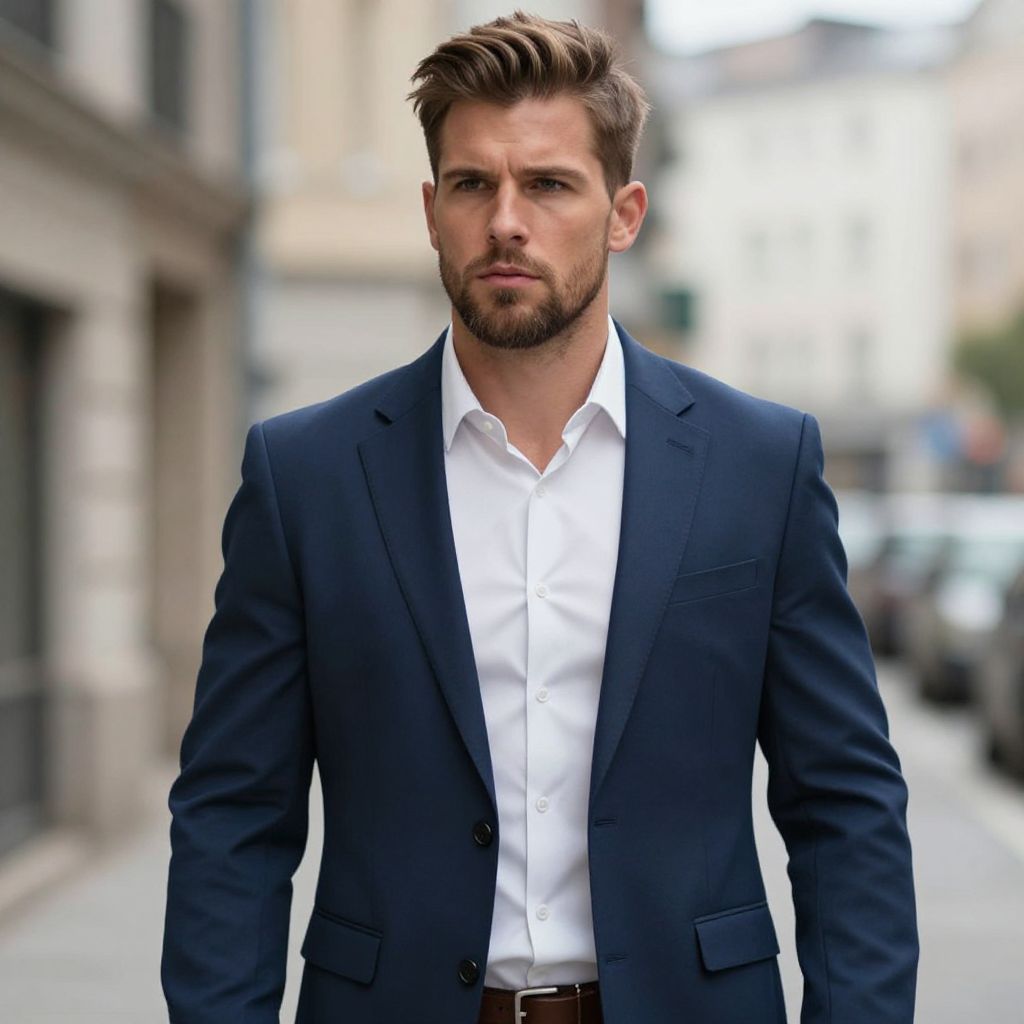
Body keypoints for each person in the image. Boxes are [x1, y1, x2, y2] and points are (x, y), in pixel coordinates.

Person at [161, 12, 917, 1024]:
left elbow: (846, 808)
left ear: (624, 211)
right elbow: (232, 816)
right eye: (473, 184)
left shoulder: (758, 466)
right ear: (432, 211)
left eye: (549, 184)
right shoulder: (307, 476)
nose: (505, 221)